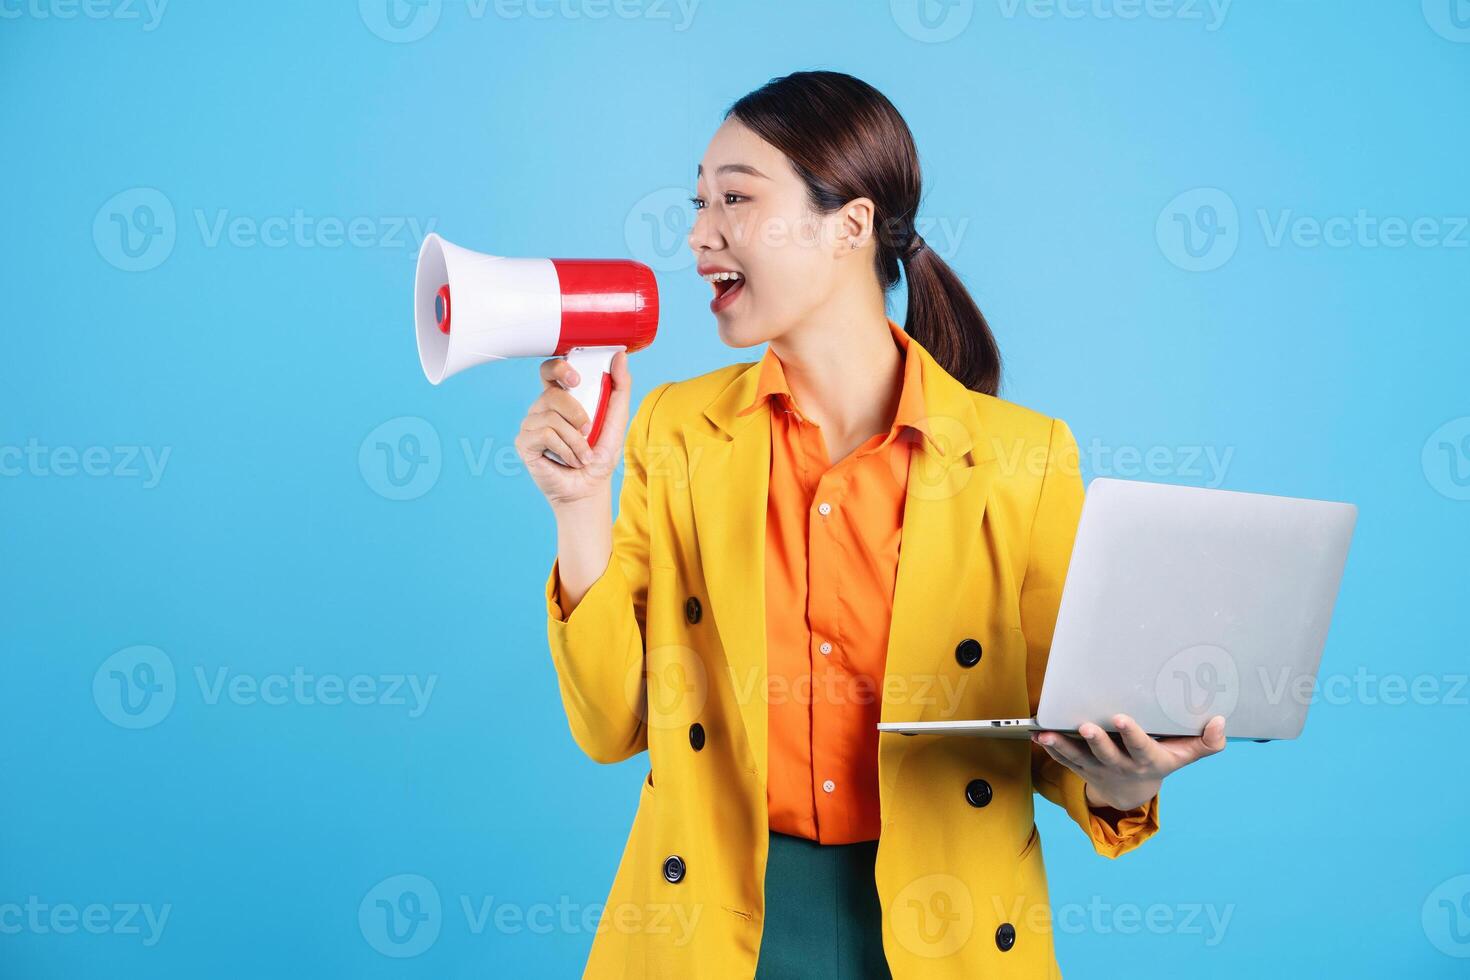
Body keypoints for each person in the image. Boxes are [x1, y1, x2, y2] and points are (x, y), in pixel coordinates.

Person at [516, 70, 1226, 979]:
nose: (697, 235)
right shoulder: (673, 430)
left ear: (849, 225)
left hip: (948, 933)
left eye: (735, 197)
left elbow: (1060, 730)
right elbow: (612, 726)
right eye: (698, 203)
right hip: (712, 930)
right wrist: (579, 507)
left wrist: (1125, 781)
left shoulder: (1024, 458)